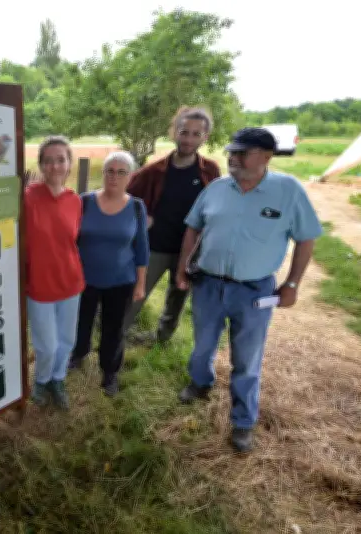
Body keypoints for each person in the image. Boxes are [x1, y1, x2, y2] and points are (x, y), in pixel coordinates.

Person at [175, 127, 323, 453]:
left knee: (247, 360)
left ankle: (242, 421)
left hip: (254, 292)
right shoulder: (216, 189)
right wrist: (183, 266)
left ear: (267, 157)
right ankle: (200, 384)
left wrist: (293, 283)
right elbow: (193, 228)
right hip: (208, 285)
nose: (233, 158)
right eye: (232, 152)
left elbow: (306, 237)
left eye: (242, 153)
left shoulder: (288, 191)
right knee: (202, 346)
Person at [123, 107, 221, 345]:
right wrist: (141, 219)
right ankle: (117, 334)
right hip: (154, 247)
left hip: (189, 249)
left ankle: (161, 337)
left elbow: (218, 207)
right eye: (184, 132)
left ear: (205, 137)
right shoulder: (152, 172)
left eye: (196, 134)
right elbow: (124, 201)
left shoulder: (210, 171)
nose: (188, 139)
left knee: (177, 296)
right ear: (174, 132)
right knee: (135, 294)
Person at [68, 151, 149, 396]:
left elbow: (142, 247)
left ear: (130, 176)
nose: (114, 177)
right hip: (83, 279)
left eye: (121, 172)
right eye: (109, 171)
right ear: (103, 174)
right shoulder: (84, 202)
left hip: (121, 280)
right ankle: (78, 354)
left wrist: (140, 284)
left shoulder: (136, 207)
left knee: (113, 328)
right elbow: (70, 238)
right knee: (81, 321)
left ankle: (110, 371)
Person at [23, 135, 85, 410]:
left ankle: (57, 379)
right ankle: (41, 379)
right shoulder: (27, 197)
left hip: (71, 281)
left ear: (69, 164)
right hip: (39, 284)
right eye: (48, 161)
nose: (55, 166)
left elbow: (71, 240)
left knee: (66, 339)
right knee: (45, 345)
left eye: (61, 160)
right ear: (41, 165)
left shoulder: (75, 200)